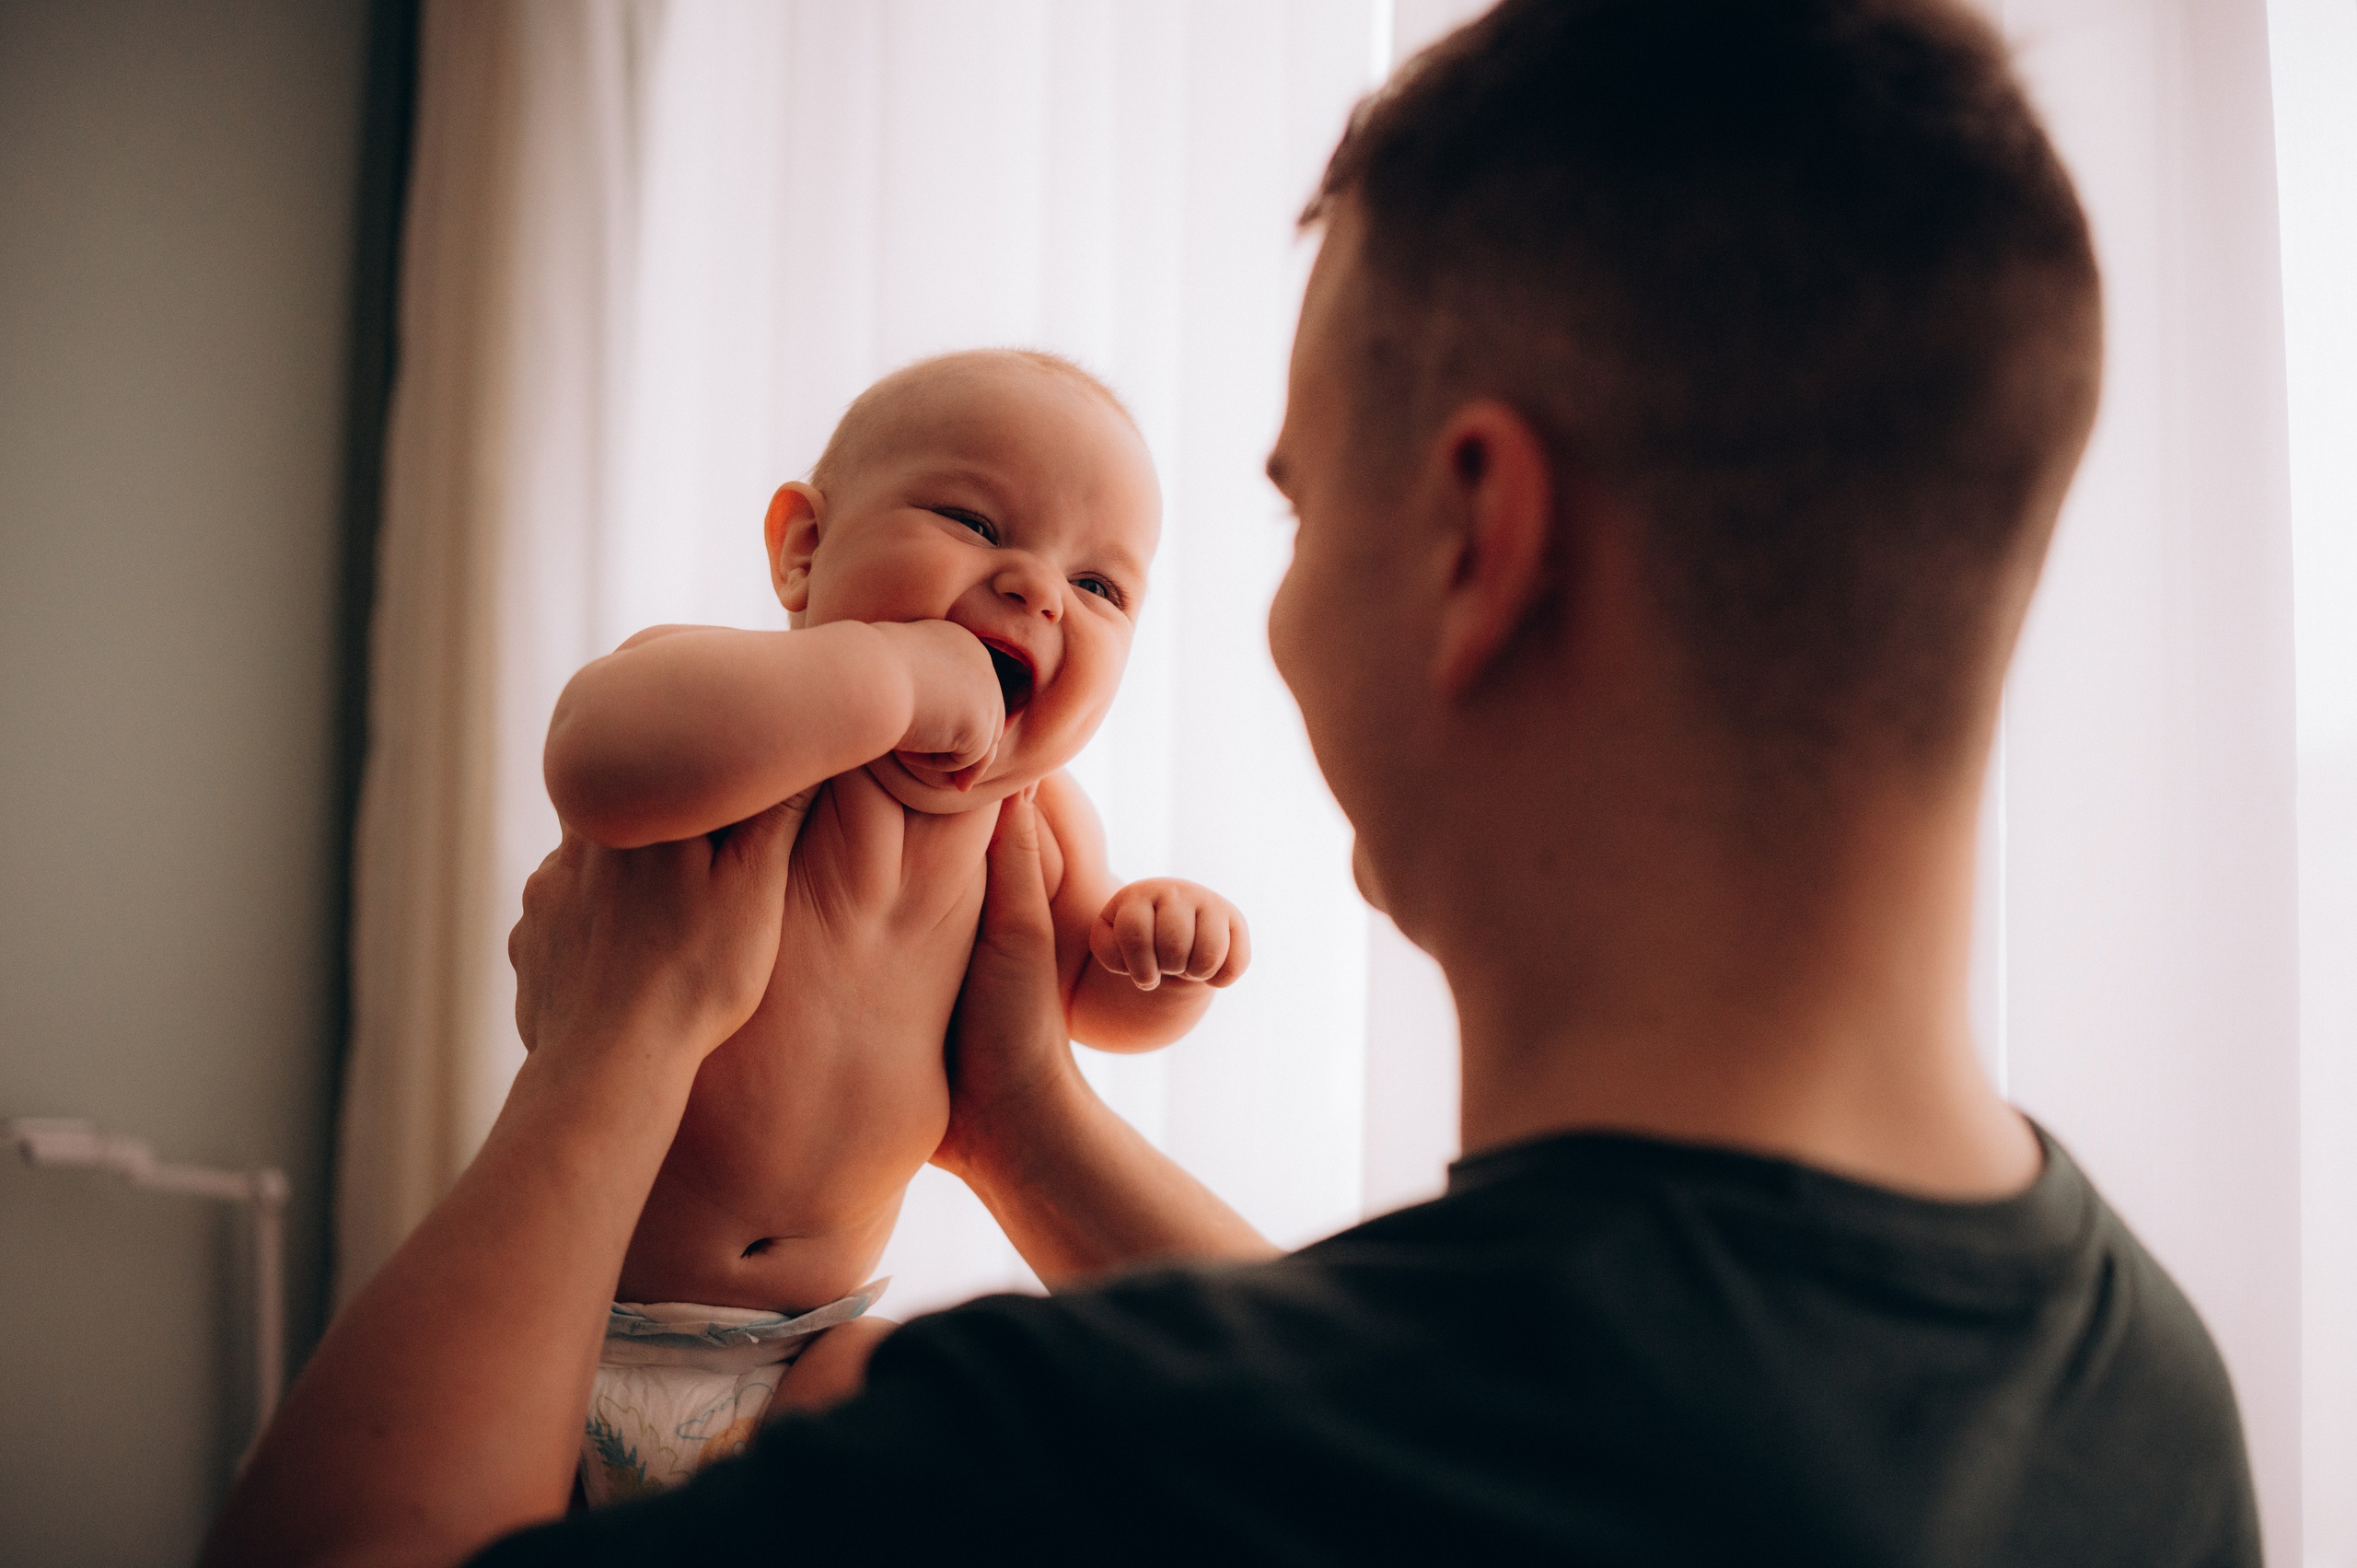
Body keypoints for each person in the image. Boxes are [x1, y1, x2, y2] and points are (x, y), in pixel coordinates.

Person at [203, 1, 2263, 1563]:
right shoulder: (2151, 1397)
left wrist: (609, 1047)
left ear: (1475, 542)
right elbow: (1430, 1399)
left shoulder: (1036, 1460)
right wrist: (1024, 1115)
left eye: (1294, 505)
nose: (1255, 612)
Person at [533, 348, 1248, 1500]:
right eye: (975, 522)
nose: (1037, 589)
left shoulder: (1040, 823)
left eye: (1099, 586)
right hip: (569, 1317)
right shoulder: (737, 714)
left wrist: (1163, 957)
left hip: (804, 1350)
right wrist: (888, 675)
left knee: (917, 1388)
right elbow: (592, 756)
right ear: (803, 549)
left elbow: (1089, 1003)